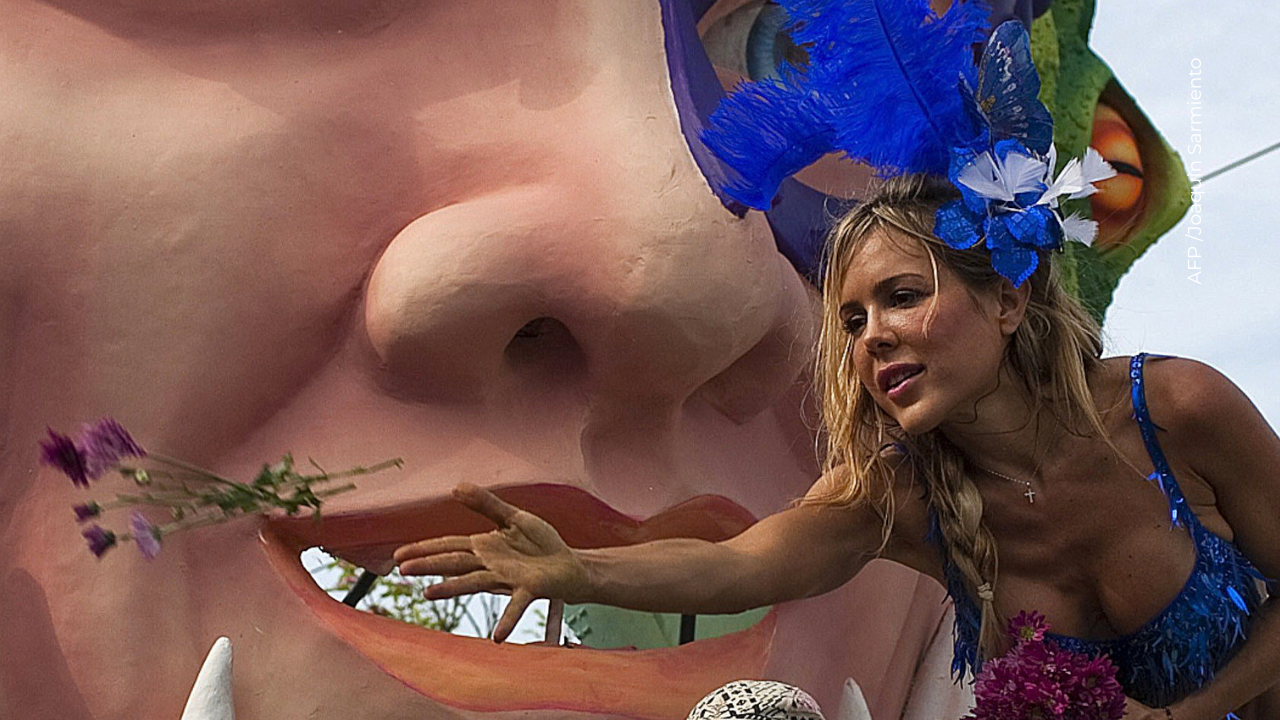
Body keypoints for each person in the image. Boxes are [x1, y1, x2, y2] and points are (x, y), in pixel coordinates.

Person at [394, 173, 1280, 719]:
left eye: (901, 296)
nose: (872, 337)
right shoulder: (897, 500)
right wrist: (580, 573)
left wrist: (1190, 716)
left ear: (1008, 302)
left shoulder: (1172, 406)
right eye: (851, 320)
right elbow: (740, 565)